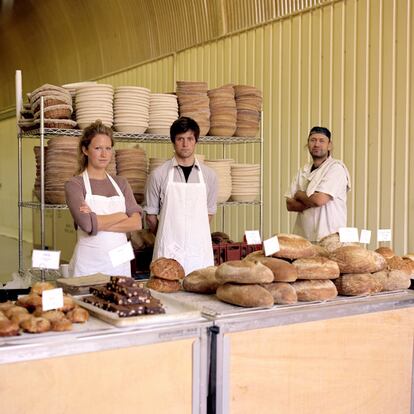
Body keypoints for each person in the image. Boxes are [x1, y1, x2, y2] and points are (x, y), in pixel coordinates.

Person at [65, 120, 142, 277]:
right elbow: (86, 224)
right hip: (88, 265)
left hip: (119, 264)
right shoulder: (75, 184)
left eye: (108, 148)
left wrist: (96, 221)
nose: (104, 154)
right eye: (98, 148)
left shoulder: (121, 183)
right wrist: (121, 216)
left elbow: (136, 223)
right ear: (85, 150)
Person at [144, 116, 218, 275]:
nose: (185, 144)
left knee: (201, 292)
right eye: (180, 139)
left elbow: (209, 213)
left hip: (199, 252)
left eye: (190, 139)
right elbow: (150, 218)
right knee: (165, 291)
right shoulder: (158, 175)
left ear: (196, 141)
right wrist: (167, 237)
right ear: (173, 141)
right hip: (168, 252)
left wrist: (193, 236)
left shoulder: (209, 176)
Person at [285, 126, 351, 242]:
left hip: (330, 239)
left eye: (321, 141)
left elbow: (319, 200)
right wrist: (312, 200)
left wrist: (300, 195)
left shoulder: (336, 168)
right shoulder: (303, 170)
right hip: (304, 239)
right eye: (313, 140)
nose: (316, 144)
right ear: (308, 144)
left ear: (329, 145)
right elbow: (289, 205)